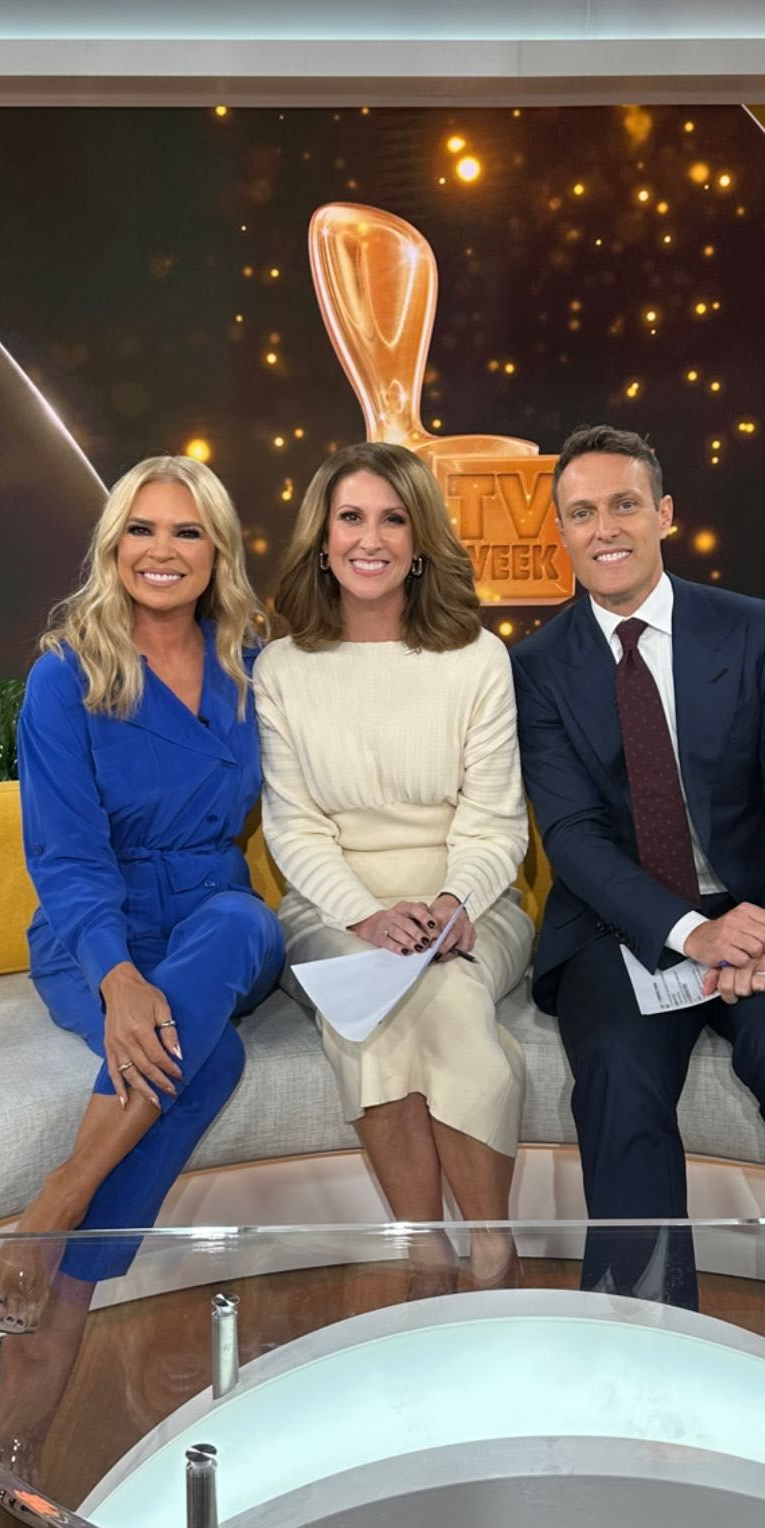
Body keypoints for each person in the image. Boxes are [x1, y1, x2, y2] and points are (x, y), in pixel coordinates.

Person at [512, 423, 765, 1399]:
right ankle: (650, 1352)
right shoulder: (539, 665)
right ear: (562, 532)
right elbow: (574, 838)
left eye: (624, 504)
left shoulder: (754, 630)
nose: (605, 528)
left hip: (760, 916)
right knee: (619, 1081)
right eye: (582, 512)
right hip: (622, 927)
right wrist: (691, 932)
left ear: (665, 514)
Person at [0, 454, 283, 1519]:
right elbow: (64, 853)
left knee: (242, 921)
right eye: (141, 529)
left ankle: (55, 1207)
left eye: (187, 532)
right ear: (113, 545)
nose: (162, 550)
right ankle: (35, 1386)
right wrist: (115, 976)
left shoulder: (252, 666)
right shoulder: (66, 674)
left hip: (212, 916)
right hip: (92, 932)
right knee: (211, 1057)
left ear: (217, 552)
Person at [254, 442, 532, 1286]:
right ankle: (425, 1246)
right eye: (350, 517)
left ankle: (493, 1247)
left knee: (449, 1002)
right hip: (332, 905)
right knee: (367, 1008)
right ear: (323, 537)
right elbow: (294, 827)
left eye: (392, 518)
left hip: (473, 900)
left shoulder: (478, 658)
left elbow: (496, 819)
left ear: (419, 542)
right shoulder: (281, 669)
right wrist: (365, 915)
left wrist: (453, 902)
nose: (368, 538)